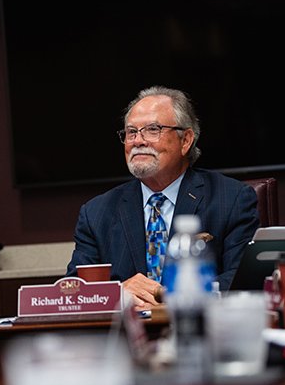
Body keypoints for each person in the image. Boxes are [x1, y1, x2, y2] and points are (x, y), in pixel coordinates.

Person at [65, 86, 259, 310]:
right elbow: (75, 292)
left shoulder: (231, 199)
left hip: (204, 331)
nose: (138, 141)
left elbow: (243, 280)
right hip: (125, 338)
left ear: (185, 140)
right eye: (131, 132)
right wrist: (118, 293)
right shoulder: (96, 213)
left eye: (152, 130)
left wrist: (169, 297)